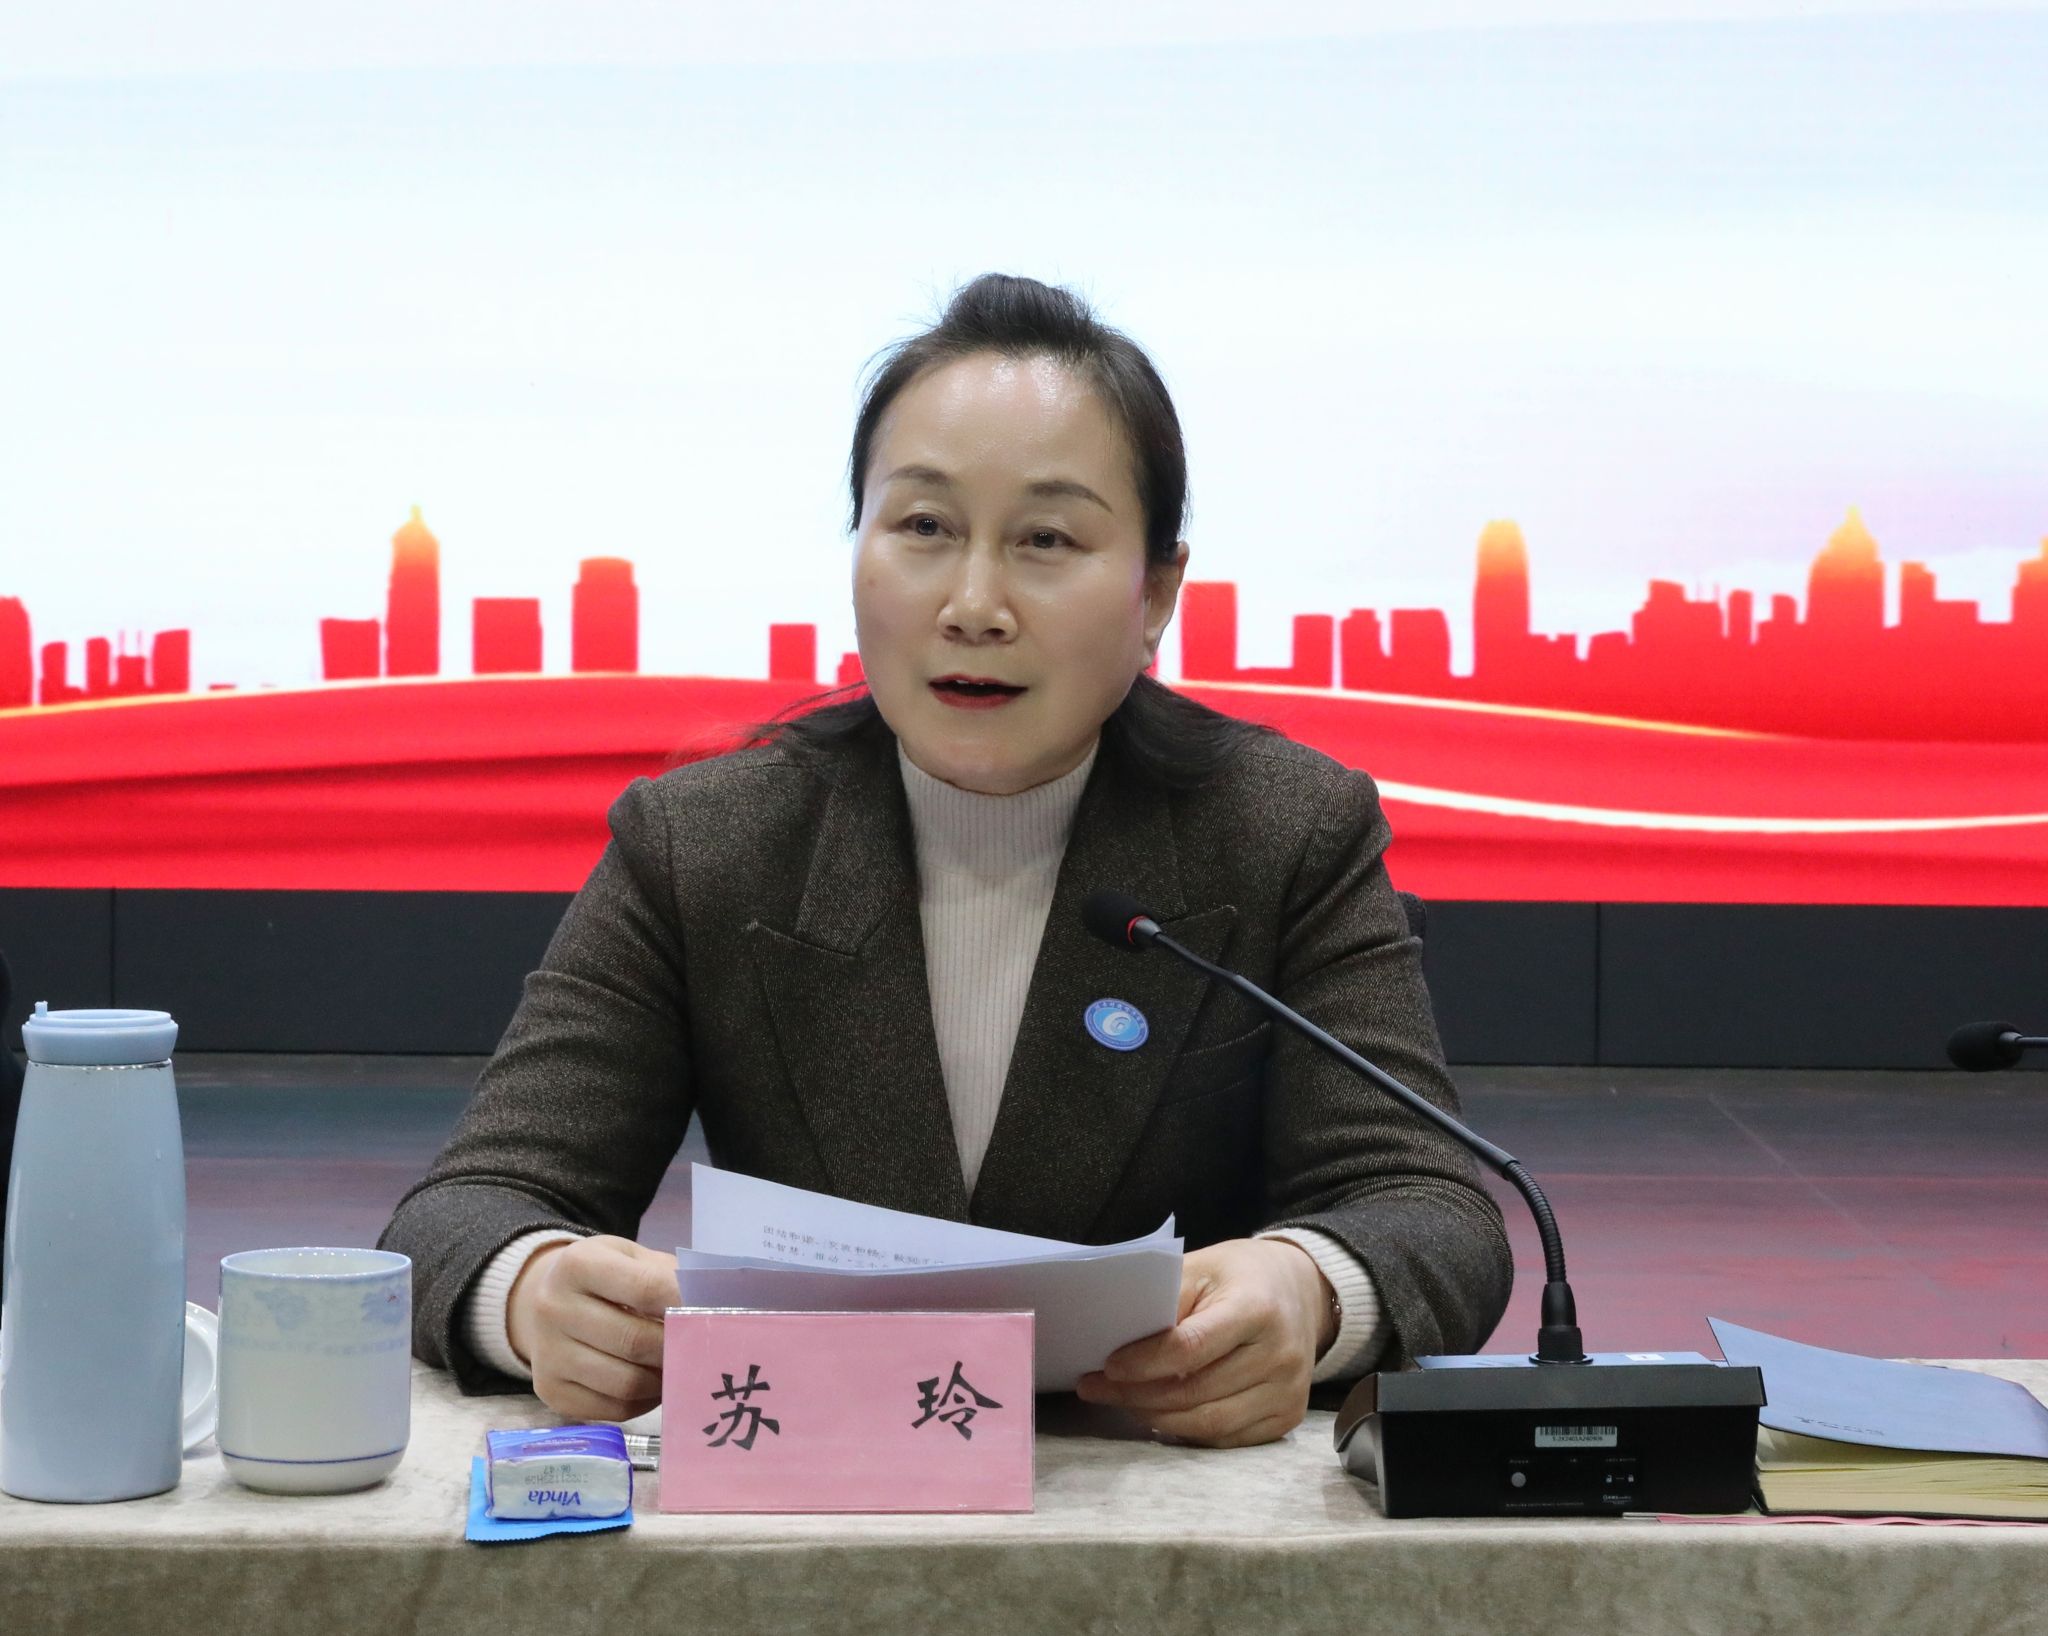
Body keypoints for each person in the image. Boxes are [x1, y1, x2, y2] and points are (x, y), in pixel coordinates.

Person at [380, 274, 1512, 1448]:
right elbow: (464, 1208)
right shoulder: (706, 844)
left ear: (1156, 593)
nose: (974, 605)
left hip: (1147, 1498)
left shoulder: (1282, 830)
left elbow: (1428, 1210)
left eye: (1045, 540)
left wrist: (1308, 1287)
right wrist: (532, 1290)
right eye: (922, 527)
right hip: (819, 1492)